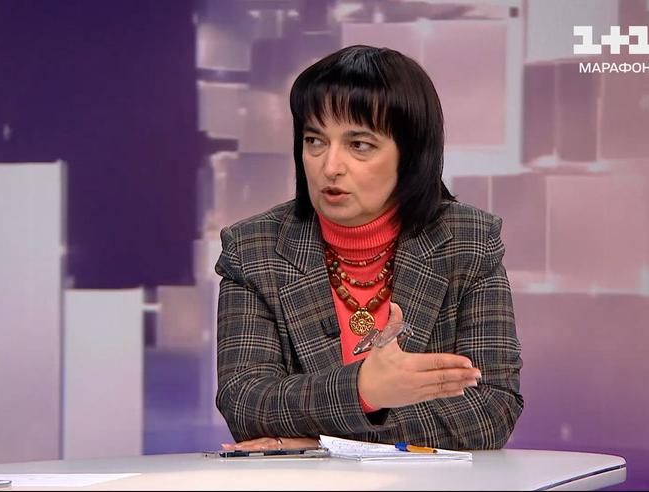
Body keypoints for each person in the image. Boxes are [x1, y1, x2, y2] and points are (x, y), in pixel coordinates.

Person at [214, 45, 523, 452]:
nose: (330, 167)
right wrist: (363, 390)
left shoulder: (469, 241)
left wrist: (325, 442)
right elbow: (245, 403)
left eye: (359, 145)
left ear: (410, 155)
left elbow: (492, 411)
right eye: (314, 140)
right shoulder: (253, 249)